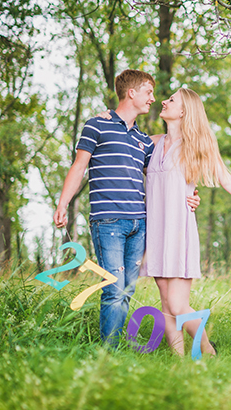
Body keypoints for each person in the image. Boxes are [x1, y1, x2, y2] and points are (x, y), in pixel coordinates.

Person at [53, 70, 199, 347]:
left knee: (127, 289)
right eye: (148, 92)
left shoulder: (144, 141)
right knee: (114, 288)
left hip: (140, 225)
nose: (153, 99)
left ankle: (115, 348)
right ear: (131, 92)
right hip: (108, 221)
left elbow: (166, 170)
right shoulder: (96, 126)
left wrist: (192, 194)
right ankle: (108, 353)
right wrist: (63, 202)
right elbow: (79, 166)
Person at [136, 87, 231, 356]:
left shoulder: (195, 147)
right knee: (166, 305)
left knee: (179, 305)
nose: (164, 102)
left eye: (171, 100)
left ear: (183, 111)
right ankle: (179, 362)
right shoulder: (152, 142)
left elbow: (226, 179)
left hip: (178, 230)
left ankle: (209, 352)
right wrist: (107, 118)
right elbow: (121, 140)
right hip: (155, 231)